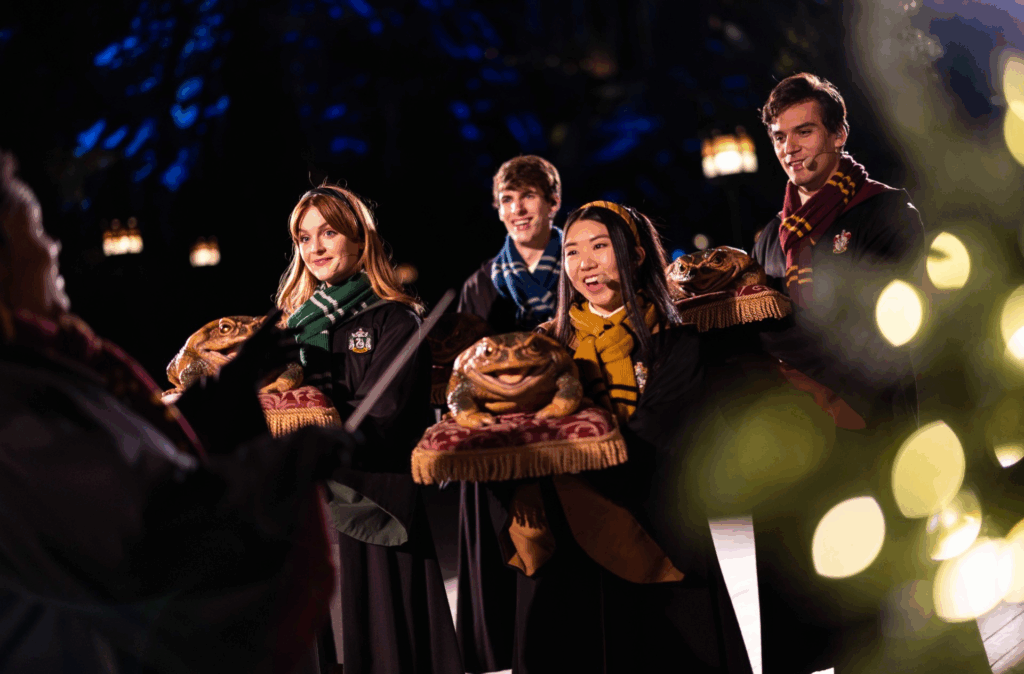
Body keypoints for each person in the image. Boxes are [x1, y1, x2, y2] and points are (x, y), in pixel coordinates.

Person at [0, 150, 352, 674]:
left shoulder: (43, 365)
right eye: (36, 230)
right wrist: (277, 469)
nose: (54, 247)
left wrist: (228, 398)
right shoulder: (19, 402)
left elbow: (139, 456)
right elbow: (148, 537)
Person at [750, 73, 990, 672]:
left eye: (804, 132)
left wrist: (782, 347)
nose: (790, 148)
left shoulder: (885, 210)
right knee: (826, 619)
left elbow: (895, 326)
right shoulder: (767, 240)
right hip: (805, 448)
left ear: (839, 134)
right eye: (779, 136)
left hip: (880, 433)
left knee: (906, 607)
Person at [501, 200, 752, 674]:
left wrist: (564, 451)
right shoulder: (545, 346)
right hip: (569, 549)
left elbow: (656, 437)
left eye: (600, 247)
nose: (585, 264)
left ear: (635, 256)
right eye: (572, 252)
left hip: (660, 538)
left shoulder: (677, 341)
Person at [276, 184, 462, 674]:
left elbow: (385, 415)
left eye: (328, 232)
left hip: (371, 504)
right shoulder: (293, 328)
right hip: (309, 506)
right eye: (304, 237)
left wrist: (314, 437)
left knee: (379, 648)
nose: (315, 248)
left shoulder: (395, 319)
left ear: (360, 239)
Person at [453, 155, 563, 672]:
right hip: (506, 443)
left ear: (552, 202)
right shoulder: (481, 284)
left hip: (569, 433)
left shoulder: (581, 264)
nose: (518, 209)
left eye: (528, 196)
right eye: (507, 200)